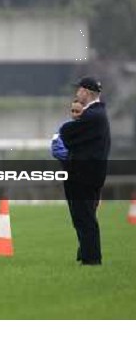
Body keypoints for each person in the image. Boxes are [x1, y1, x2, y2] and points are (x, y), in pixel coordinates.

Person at [58, 77, 111, 266]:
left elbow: (67, 133)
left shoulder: (92, 116)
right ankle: (86, 253)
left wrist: (62, 132)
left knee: (84, 217)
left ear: (87, 93)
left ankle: (91, 259)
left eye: (79, 90)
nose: (77, 93)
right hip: (87, 174)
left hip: (83, 175)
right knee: (83, 216)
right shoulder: (96, 114)